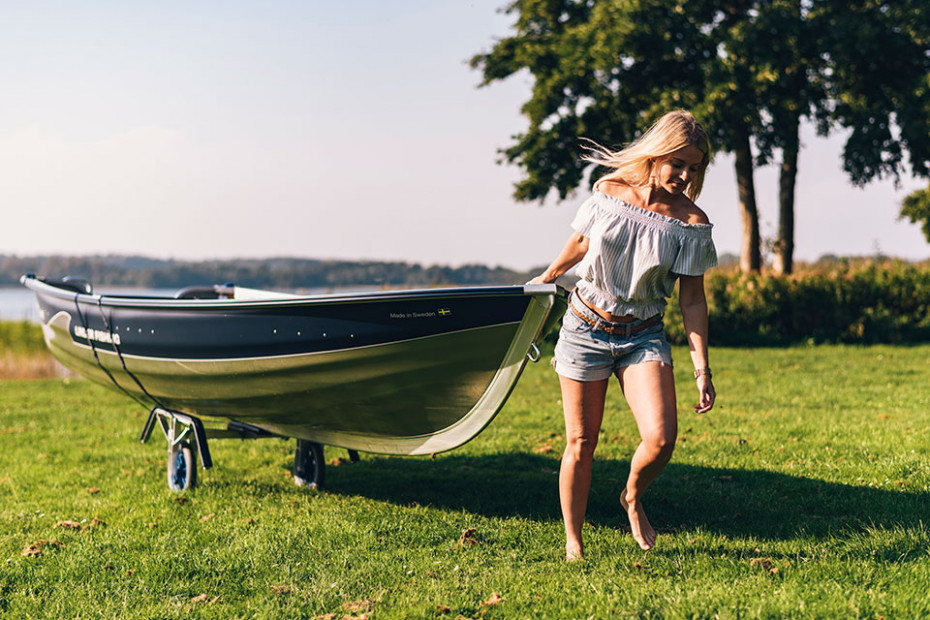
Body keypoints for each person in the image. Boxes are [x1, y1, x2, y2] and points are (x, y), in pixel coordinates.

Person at [528, 110, 717, 560]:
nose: (685, 175)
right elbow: (580, 243)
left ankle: (631, 496)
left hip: (643, 335)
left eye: (694, 167)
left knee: (661, 439)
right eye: (678, 164)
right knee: (581, 442)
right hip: (585, 326)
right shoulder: (609, 192)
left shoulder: (691, 222)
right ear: (656, 156)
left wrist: (702, 368)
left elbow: (692, 300)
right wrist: (549, 276)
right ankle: (574, 541)